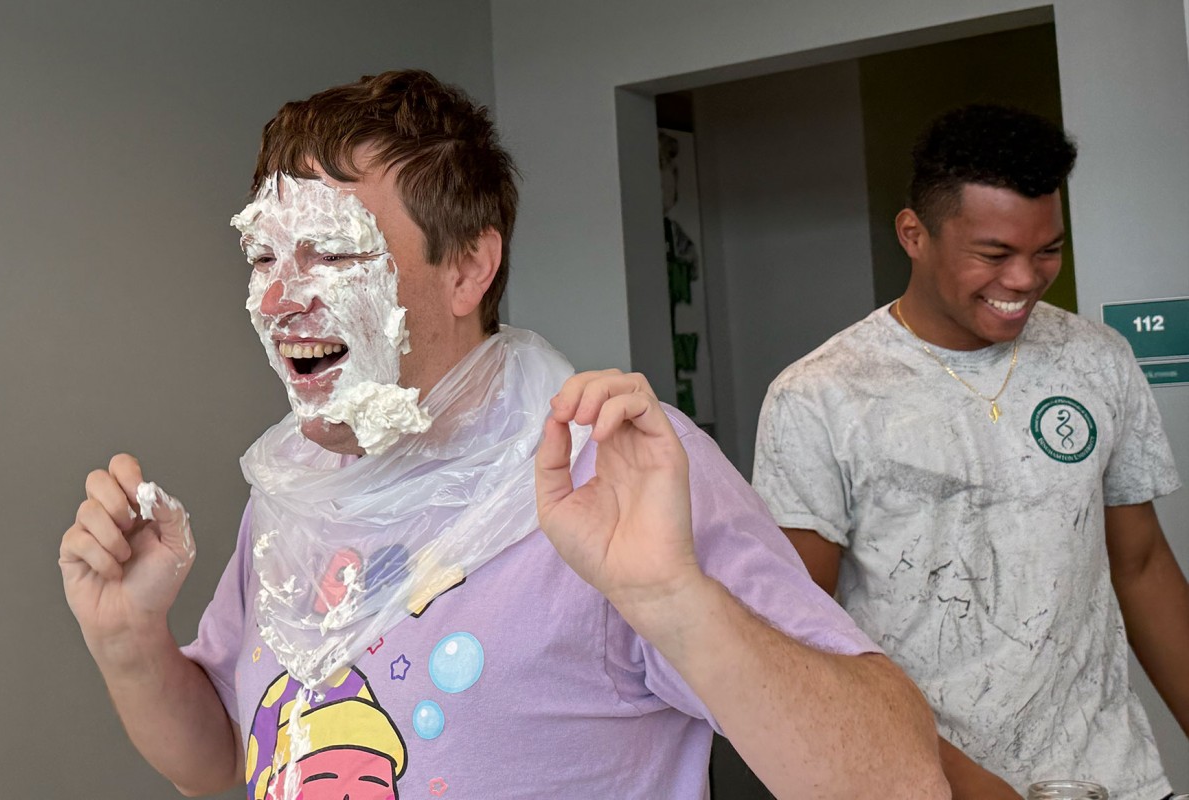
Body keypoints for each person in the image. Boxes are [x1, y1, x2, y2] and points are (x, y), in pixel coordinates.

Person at [59, 69, 949, 799]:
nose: (279, 298)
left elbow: (899, 784)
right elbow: (225, 766)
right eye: (262, 256)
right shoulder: (296, 495)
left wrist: (675, 599)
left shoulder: (620, 468)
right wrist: (127, 638)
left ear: (468, 269)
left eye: (330, 253)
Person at [753, 104, 1189, 799]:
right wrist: (962, 783)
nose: (1023, 279)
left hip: (1114, 778)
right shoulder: (820, 396)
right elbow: (805, 633)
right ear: (913, 234)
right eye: (993, 254)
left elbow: (1139, 565)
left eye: (1046, 250)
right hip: (928, 782)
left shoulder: (1097, 361)